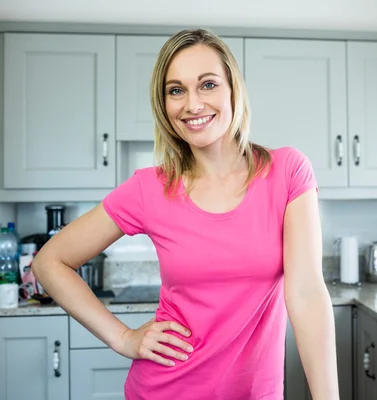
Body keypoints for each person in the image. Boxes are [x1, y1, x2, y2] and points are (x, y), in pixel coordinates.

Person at [32, 28, 339, 400]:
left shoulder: (287, 171)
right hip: (164, 390)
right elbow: (50, 262)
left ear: (233, 89)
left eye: (207, 84)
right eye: (176, 90)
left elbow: (306, 294)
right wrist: (123, 337)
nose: (192, 104)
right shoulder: (150, 188)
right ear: (164, 104)